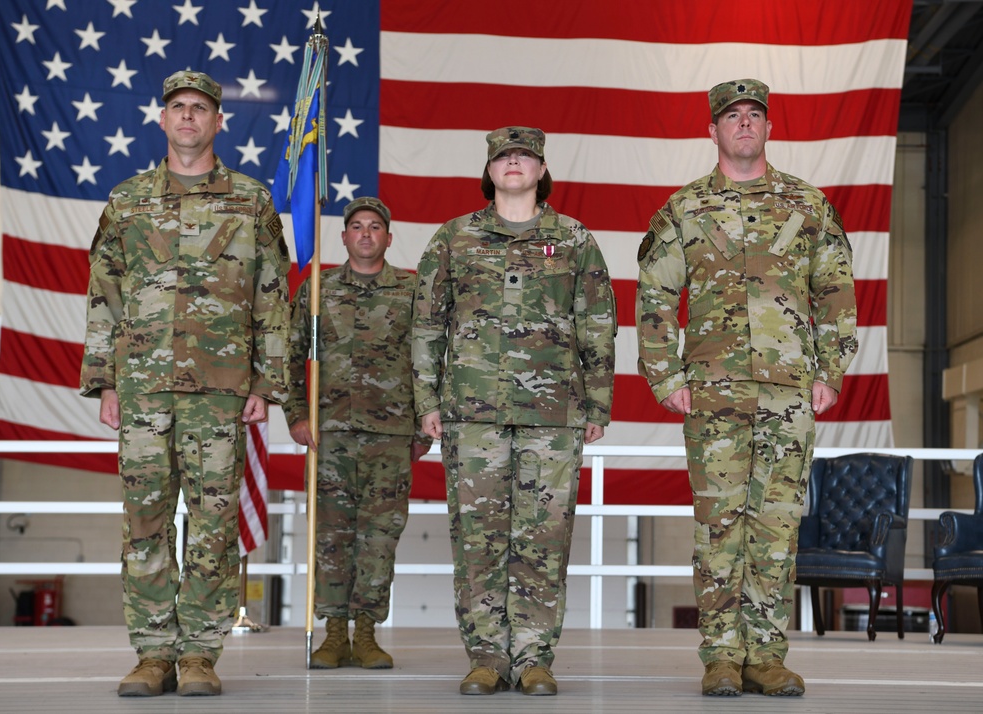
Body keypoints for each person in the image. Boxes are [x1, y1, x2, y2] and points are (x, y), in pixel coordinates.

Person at [636, 79, 859, 697]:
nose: (742, 124)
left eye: (753, 115)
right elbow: (655, 295)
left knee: (777, 525)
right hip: (713, 392)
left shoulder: (807, 205)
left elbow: (836, 292)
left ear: (767, 128)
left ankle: (766, 655)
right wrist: (666, 375)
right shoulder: (684, 210)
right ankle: (721, 658)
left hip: (789, 392)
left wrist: (830, 373)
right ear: (712, 131)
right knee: (718, 526)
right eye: (730, 116)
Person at [80, 70, 291, 697]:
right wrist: (105, 382)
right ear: (163, 119)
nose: (189, 117)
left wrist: (267, 382)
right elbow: (103, 294)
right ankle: (152, 654)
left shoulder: (250, 200)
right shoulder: (127, 201)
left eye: (201, 108)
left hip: (221, 389)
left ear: (219, 121)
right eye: (178, 107)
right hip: (143, 388)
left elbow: (272, 297)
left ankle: (199, 653)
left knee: (213, 521)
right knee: (144, 518)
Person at [412, 127, 616, 696]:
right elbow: (428, 326)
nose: (515, 163)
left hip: (553, 416)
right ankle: (486, 656)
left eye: (524, 156)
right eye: (504, 156)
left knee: (544, 536)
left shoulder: (574, 239)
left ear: (542, 167)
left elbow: (597, 324)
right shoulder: (454, 239)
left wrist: (597, 402)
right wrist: (426, 402)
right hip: (471, 415)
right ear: (490, 169)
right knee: (477, 537)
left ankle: (533, 657)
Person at [284, 196, 431, 670]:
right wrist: (295, 416)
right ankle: (332, 634)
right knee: (331, 536)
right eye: (356, 226)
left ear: (388, 237)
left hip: (390, 435)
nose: (365, 234)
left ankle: (365, 633)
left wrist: (425, 422)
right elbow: (290, 358)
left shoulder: (411, 293)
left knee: (380, 536)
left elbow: (430, 361)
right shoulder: (317, 291)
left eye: (375, 227)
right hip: (330, 435)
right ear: (344, 236)